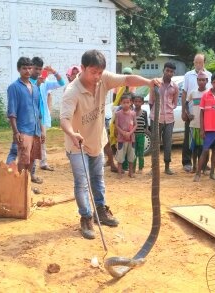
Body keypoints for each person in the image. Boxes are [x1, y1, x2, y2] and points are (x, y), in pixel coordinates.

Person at [60, 49, 159, 239]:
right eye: (93, 72)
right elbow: (64, 119)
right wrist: (72, 133)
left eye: (99, 72)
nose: (97, 77)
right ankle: (86, 217)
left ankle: (100, 211)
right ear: (82, 68)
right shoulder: (71, 92)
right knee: (82, 183)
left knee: (98, 178)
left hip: (97, 141)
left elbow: (127, 80)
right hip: (77, 144)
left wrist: (148, 82)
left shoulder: (103, 79)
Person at [7, 57, 45, 178]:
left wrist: (42, 130)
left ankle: (27, 187)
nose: (27, 71)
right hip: (23, 130)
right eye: (24, 68)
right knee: (23, 161)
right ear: (19, 69)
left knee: (32, 160)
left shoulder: (35, 88)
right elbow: (12, 112)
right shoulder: (14, 87)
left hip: (35, 130)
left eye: (29, 68)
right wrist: (16, 132)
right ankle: (20, 188)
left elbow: (38, 111)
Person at [181, 54, 212, 172]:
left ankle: (203, 163)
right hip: (191, 113)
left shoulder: (209, 75)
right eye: (196, 62)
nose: (198, 65)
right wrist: (184, 111)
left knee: (204, 139)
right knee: (189, 139)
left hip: (206, 114)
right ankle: (187, 162)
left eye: (201, 62)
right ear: (193, 63)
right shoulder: (188, 75)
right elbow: (184, 93)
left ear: (204, 63)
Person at [150, 62, 179, 175]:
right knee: (155, 144)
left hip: (169, 119)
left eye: (171, 71)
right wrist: (155, 113)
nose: (169, 73)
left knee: (168, 143)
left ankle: (167, 167)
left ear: (173, 73)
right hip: (156, 119)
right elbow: (151, 101)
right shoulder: (156, 83)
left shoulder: (175, 87)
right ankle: (154, 168)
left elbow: (175, 103)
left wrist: (168, 109)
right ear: (163, 70)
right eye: (167, 70)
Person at [187, 72, 209, 173]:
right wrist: (188, 114)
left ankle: (204, 167)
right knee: (194, 147)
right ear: (197, 81)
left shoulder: (209, 93)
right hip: (194, 124)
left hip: (206, 126)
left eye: (203, 80)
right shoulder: (193, 92)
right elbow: (186, 103)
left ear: (207, 81)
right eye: (199, 80)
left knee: (204, 147)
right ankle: (195, 166)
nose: (201, 81)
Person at [114, 94, 137, 178]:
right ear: (121, 103)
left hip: (131, 139)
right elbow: (116, 125)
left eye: (128, 102)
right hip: (121, 139)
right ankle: (119, 173)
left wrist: (130, 133)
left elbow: (135, 125)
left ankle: (130, 172)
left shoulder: (133, 113)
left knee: (131, 156)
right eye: (124, 102)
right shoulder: (118, 114)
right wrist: (123, 133)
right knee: (120, 156)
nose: (126, 104)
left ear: (131, 103)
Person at [132, 94, 149, 174]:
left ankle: (140, 168)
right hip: (133, 135)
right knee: (133, 152)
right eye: (135, 101)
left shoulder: (144, 113)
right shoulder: (131, 113)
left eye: (139, 101)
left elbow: (146, 123)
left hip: (141, 135)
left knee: (141, 152)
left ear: (142, 103)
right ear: (133, 102)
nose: (137, 103)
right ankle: (133, 168)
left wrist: (146, 131)